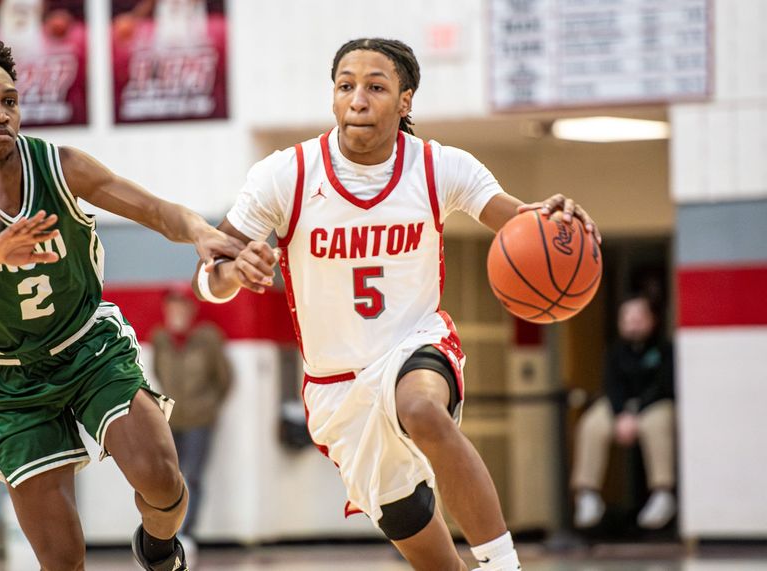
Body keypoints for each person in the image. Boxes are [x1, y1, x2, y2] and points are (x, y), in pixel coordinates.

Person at [193, 38, 601, 571]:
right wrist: (232, 273)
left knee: (421, 408)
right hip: (336, 387)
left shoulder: (440, 167)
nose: (358, 99)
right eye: (346, 86)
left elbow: (521, 223)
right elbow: (209, 276)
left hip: (416, 343)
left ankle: (504, 565)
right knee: (429, 555)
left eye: (376, 87)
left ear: (405, 100)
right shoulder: (286, 174)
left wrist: (555, 220)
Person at [0, 34, 244, 571]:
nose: (1, 113)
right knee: (62, 558)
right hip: (10, 378)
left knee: (163, 481)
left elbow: (157, 210)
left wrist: (200, 233)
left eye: (9, 101)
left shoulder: (60, 166)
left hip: (86, 347)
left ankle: (159, 545)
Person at [571, 295, 676, 530]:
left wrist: (635, 413)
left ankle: (663, 492)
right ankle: (587, 494)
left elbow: (663, 386)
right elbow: (611, 386)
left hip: (652, 406)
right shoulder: (615, 351)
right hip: (621, 409)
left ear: (652, 319)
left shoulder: (665, 349)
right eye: (627, 318)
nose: (633, 322)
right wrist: (621, 415)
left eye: (639, 317)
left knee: (659, 423)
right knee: (592, 424)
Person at [151, 288, 233, 549]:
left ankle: (188, 533)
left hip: (200, 420)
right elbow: (158, 375)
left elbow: (224, 379)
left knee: (194, 477)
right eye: (172, 306)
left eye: (181, 306)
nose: (176, 312)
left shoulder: (208, 339)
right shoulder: (160, 339)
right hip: (171, 421)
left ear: (191, 310)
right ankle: (166, 533)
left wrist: (208, 406)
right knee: (167, 478)